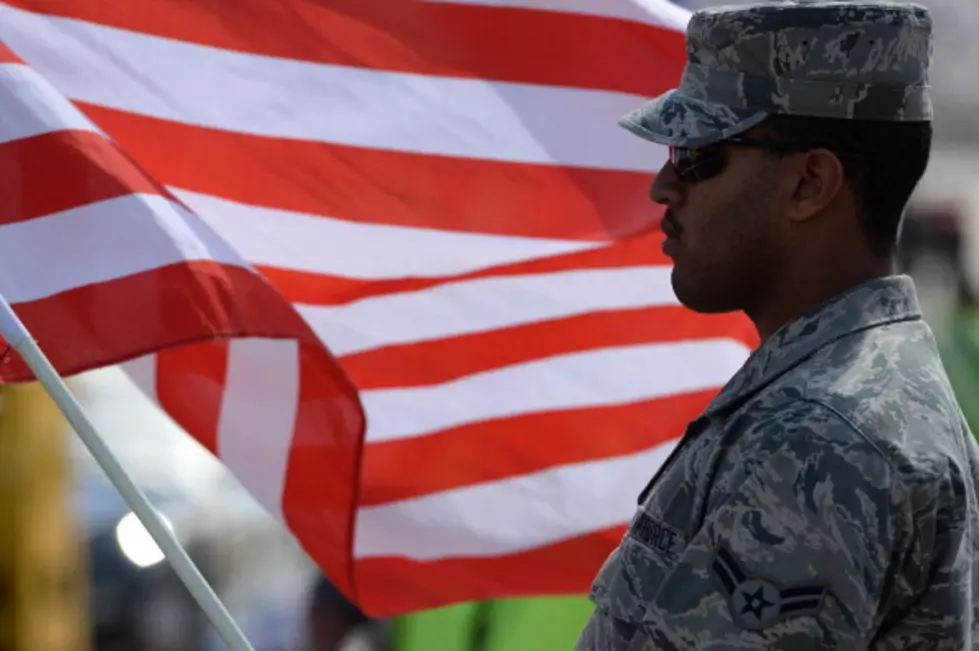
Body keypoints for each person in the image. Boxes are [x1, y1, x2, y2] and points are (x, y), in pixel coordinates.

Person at [576, 1, 979, 649]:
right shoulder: (848, 394)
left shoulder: (820, 434)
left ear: (809, 183)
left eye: (694, 153)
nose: (661, 186)